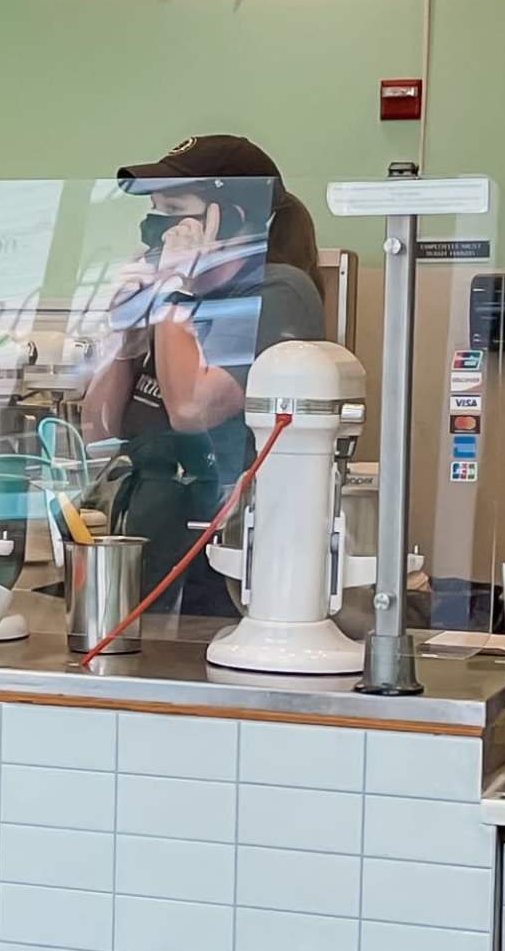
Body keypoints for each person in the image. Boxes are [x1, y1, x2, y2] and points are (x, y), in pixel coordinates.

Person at [78, 134, 328, 613]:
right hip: (149, 536)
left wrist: (174, 287)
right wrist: (126, 340)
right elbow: (99, 429)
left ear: (231, 217)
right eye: (154, 210)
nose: (158, 226)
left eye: (173, 208)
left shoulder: (274, 293)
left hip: (221, 555)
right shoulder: (174, 299)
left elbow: (193, 408)